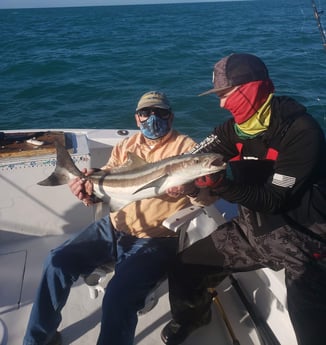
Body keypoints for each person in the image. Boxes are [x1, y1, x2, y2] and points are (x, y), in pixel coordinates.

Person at [161, 53, 326, 345]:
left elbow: (274, 199)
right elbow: (194, 160)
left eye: (225, 95)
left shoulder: (301, 131)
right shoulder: (229, 131)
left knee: (310, 329)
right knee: (185, 266)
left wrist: (222, 184)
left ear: (252, 88)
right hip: (253, 231)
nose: (221, 103)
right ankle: (194, 316)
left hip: (307, 242)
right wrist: (185, 184)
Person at [23, 91, 208, 345]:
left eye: (160, 113)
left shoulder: (188, 149)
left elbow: (209, 198)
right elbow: (107, 185)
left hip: (154, 238)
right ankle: (38, 338)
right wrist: (87, 191)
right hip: (112, 226)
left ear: (171, 116)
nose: (153, 118)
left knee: (117, 295)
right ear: (137, 119)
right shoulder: (126, 146)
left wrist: (192, 189)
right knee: (56, 262)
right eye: (146, 113)